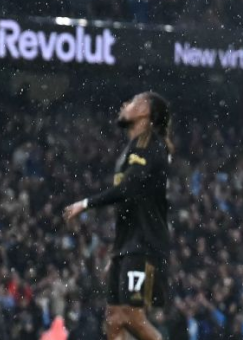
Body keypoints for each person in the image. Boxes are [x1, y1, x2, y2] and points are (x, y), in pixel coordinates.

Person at [64, 92, 174, 340]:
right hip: (126, 244)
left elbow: (129, 187)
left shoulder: (149, 142)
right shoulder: (134, 147)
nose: (126, 105)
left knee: (130, 316)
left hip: (144, 244)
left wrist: (86, 203)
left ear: (146, 114)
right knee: (113, 319)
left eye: (135, 102)